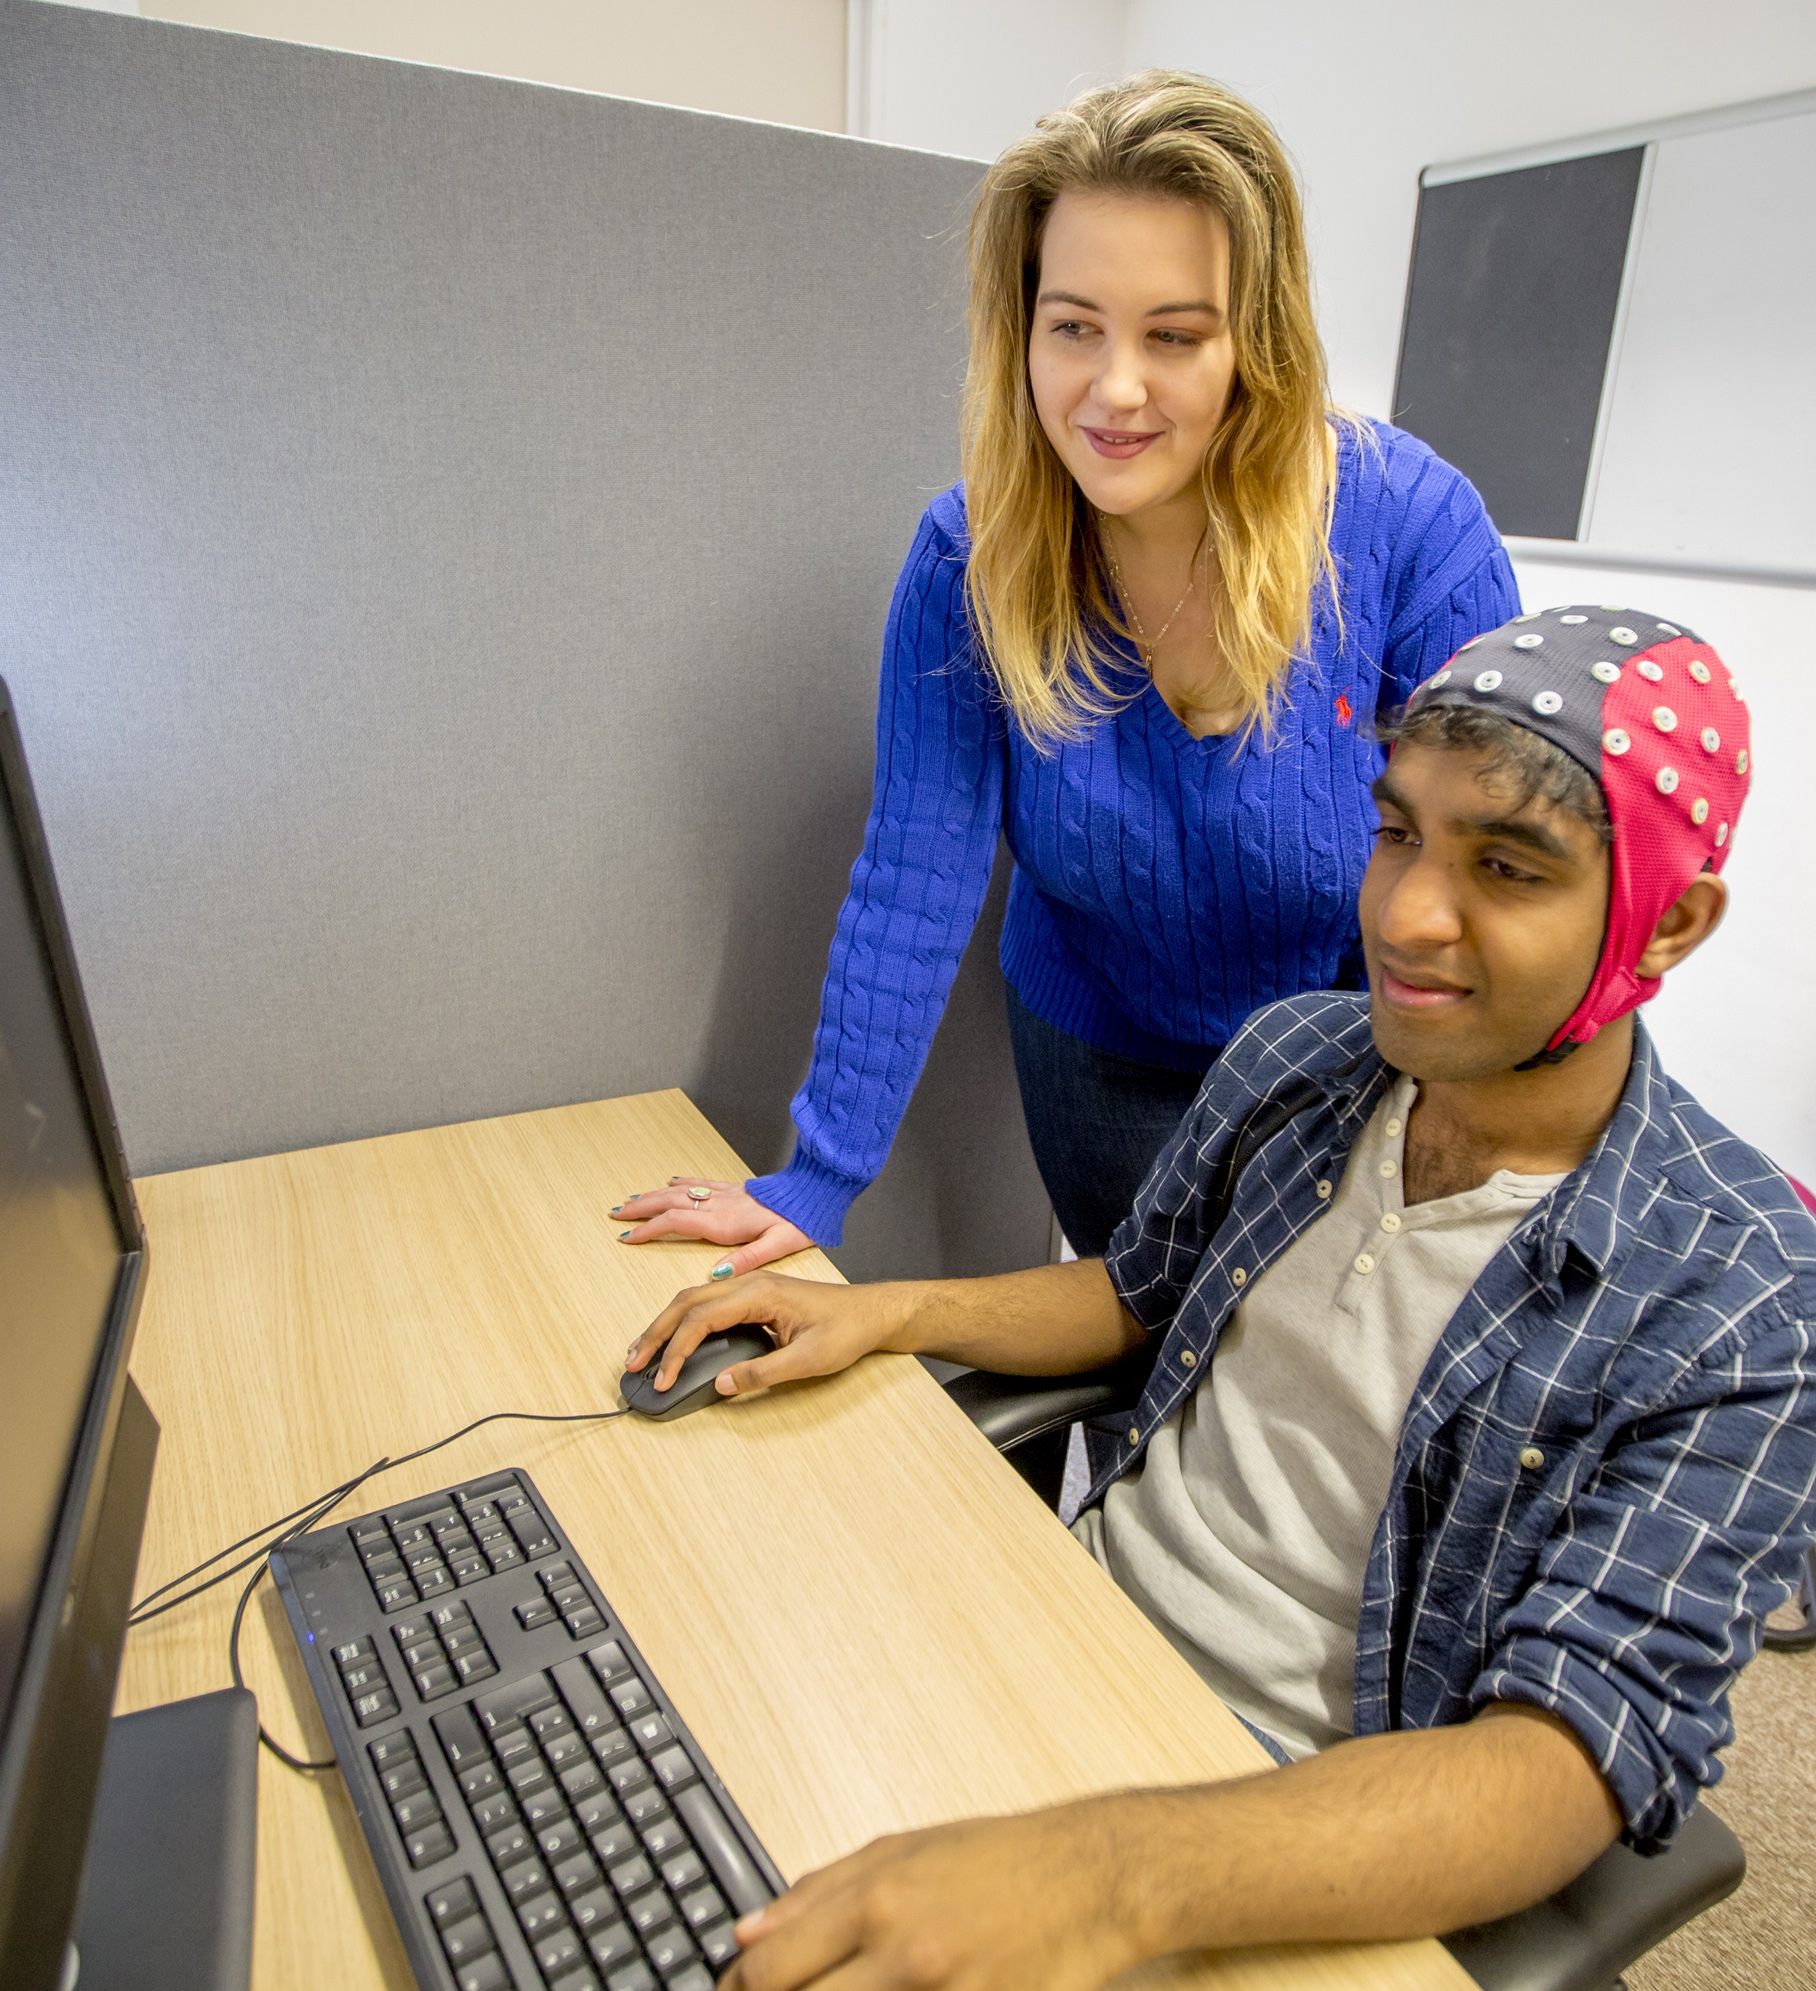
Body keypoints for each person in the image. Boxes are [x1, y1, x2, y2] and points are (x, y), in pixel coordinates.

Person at [626, 608, 1816, 1991]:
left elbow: (1565, 1758)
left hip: (1299, 1828)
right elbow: (1138, 1292)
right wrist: (890, 1312)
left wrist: (1102, 1880)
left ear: (1673, 919)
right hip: (1071, 1627)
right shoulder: (1302, 1060)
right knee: (671, 1783)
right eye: (1397, 832)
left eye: (1508, 870)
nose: (1404, 915)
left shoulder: (1758, 1302)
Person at [610, 72, 1518, 1271]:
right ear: (1022, 325)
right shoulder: (972, 555)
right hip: (1103, 1061)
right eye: (1074, 325)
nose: (1115, 390)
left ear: (1260, 343)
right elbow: (915, 874)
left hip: (1354, 1067)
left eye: (1176, 336)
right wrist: (817, 1178)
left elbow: (1497, 886)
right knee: (1137, 1371)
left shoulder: (1412, 534)